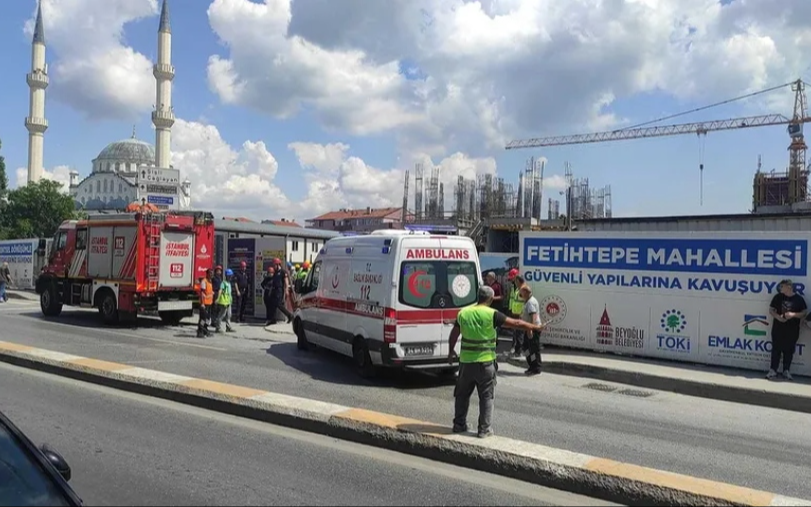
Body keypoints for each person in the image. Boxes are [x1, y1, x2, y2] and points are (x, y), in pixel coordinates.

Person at [447, 286, 545, 438]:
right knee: (486, 396)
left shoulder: (463, 313)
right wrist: (535, 327)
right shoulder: (492, 314)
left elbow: (454, 334)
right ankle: (484, 429)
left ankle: (459, 424)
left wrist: (450, 351)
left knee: (462, 395)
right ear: (491, 299)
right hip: (485, 363)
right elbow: (516, 324)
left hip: (466, 363)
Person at [767, 279, 807, 380]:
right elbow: (771, 310)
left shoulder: (799, 299)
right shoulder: (778, 297)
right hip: (778, 328)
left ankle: (786, 370)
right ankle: (773, 370)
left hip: (792, 330)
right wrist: (778, 317)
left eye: (782, 286)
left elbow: (804, 312)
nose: (780, 288)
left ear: (789, 287)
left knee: (789, 350)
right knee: (776, 349)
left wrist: (793, 315)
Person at [519, 285, 543, 376]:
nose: (520, 294)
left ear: (525, 292)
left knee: (533, 349)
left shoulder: (530, 302)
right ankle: (531, 365)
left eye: (521, 292)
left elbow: (533, 315)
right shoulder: (528, 301)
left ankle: (535, 367)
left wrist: (530, 329)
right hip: (529, 328)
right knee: (526, 348)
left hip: (532, 329)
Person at [506, 270, 527, 357]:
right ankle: (515, 349)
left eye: (513, 279)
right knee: (515, 333)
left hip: (520, 315)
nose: (512, 280)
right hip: (514, 313)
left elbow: (526, 302)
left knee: (519, 334)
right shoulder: (515, 288)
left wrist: (523, 313)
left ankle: (518, 351)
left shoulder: (522, 289)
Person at [271, 258, 294, 324]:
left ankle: (290, 315)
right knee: (273, 305)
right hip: (274, 290)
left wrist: (286, 290)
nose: (273, 266)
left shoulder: (283, 272)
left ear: (278, 264)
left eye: (274, 265)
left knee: (279, 304)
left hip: (279, 290)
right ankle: (273, 320)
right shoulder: (275, 272)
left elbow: (286, 282)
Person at [214, 269, 236, 333]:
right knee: (222, 315)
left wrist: (231, 300)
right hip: (223, 301)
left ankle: (228, 327)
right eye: (230, 275)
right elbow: (220, 290)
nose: (231, 277)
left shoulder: (229, 283)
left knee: (229, 315)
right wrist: (218, 298)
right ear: (228, 276)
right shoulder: (223, 283)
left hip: (228, 301)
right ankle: (218, 328)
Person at [197, 269, 214, 338]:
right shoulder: (204, 281)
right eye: (210, 273)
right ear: (207, 274)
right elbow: (202, 293)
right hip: (204, 304)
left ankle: (205, 329)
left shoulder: (210, 282)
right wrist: (202, 303)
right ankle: (200, 331)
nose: (211, 275)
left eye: (212, 273)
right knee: (203, 319)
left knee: (208, 319)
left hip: (209, 303)